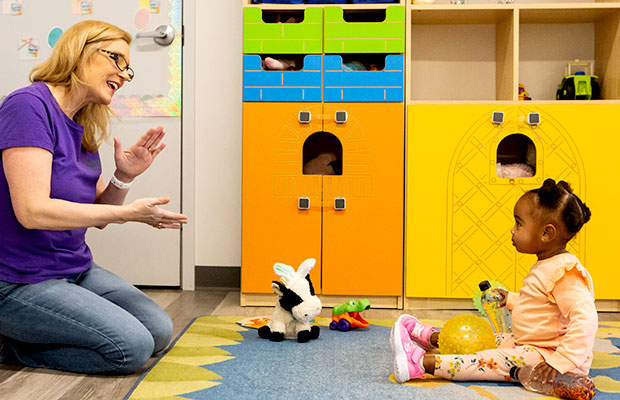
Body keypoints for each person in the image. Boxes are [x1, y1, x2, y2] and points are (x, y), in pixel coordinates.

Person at [0, 20, 187, 374]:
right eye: (116, 58)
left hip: (73, 269)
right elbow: (31, 211)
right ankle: (11, 347)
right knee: (130, 349)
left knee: (158, 331)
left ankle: (38, 331)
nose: (123, 73)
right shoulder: (28, 106)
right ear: (80, 51)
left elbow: (99, 216)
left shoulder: (82, 121)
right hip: (16, 280)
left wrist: (124, 176)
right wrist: (128, 214)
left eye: (127, 67)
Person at [391, 178, 595, 384]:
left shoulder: (566, 273)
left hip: (550, 360)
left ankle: (420, 364)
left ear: (546, 233)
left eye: (519, 223)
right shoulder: (549, 265)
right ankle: (435, 339)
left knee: (485, 361)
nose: (513, 230)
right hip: (531, 345)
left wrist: (562, 360)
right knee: (485, 340)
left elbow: (585, 319)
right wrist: (512, 299)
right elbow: (543, 308)